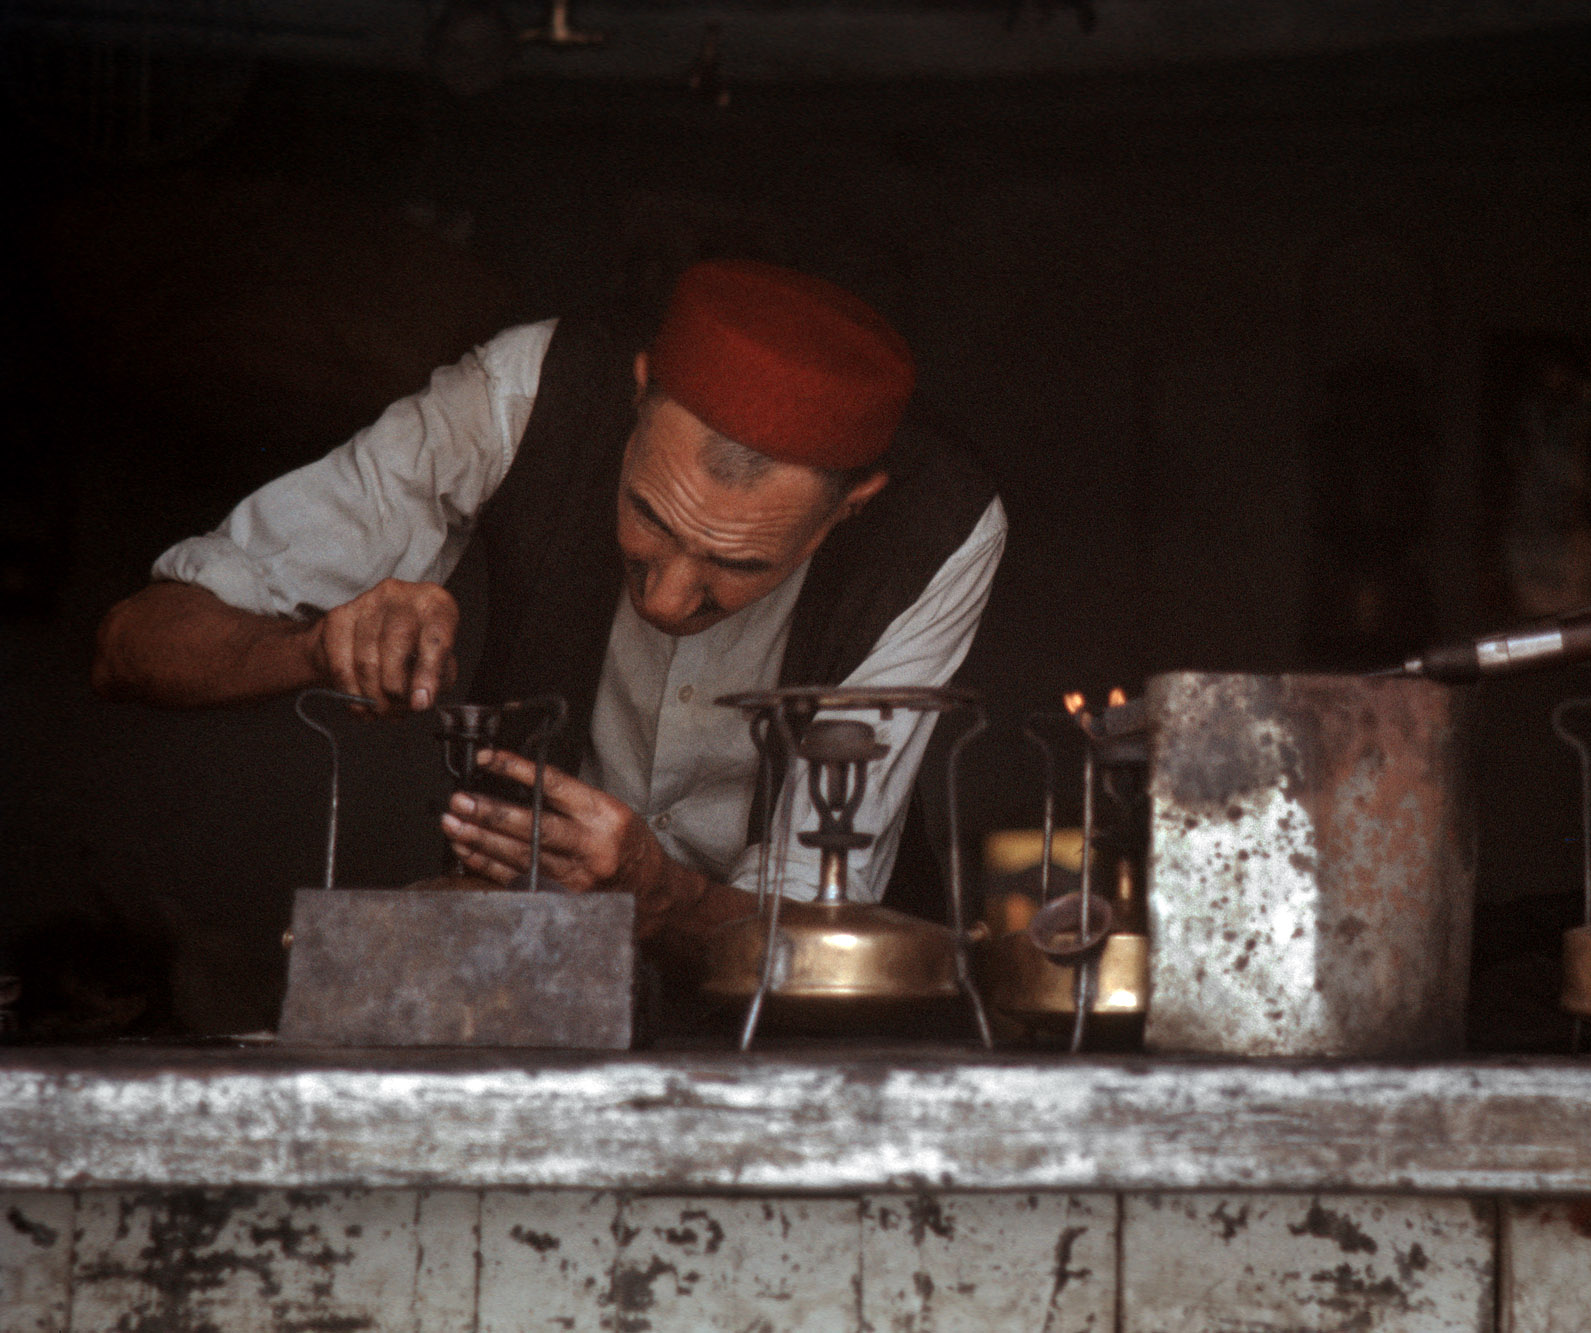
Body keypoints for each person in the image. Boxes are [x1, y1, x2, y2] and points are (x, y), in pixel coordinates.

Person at [93, 260, 1006, 958]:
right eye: (649, 516)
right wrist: (316, 646)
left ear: (848, 509)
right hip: (518, 994)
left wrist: (661, 896)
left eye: (739, 565)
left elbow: (813, 928)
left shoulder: (937, 530)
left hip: (809, 1050)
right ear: (639, 391)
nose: (667, 594)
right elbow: (132, 647)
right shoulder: (524, 393)